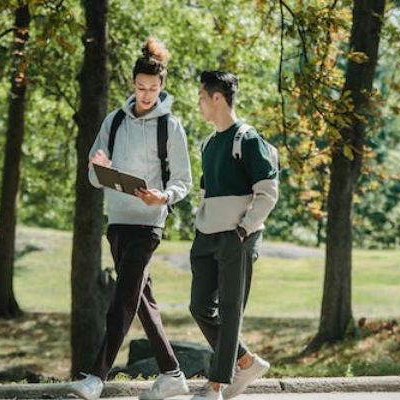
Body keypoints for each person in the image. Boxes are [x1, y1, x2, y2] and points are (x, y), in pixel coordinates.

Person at [72, 37, 192, 400]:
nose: (147, 94)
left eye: (153, 88)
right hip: (118, 223)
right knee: (140, 299)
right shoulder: (114, 121)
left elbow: (183, 181)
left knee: (122, 299)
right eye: (141, 87)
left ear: (162, 86)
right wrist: (98, 167)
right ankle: (172, 374)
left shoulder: (170, 126)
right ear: (133, 84)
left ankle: (96, 376)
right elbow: (93, 175)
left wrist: (163, 196)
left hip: (149, 224)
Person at [189, 71, 278, 400]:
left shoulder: (247, 139)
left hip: (237, 237)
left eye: (202, 97)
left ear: (217, 98)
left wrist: (244, 228)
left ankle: (215, 385)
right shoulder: (208, 143)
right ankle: (246, 361)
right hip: (206, 236)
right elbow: (206, 192)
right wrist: (200, 225)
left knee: (229, 311)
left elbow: (268, 192)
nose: (199, 104)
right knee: (199, 306)